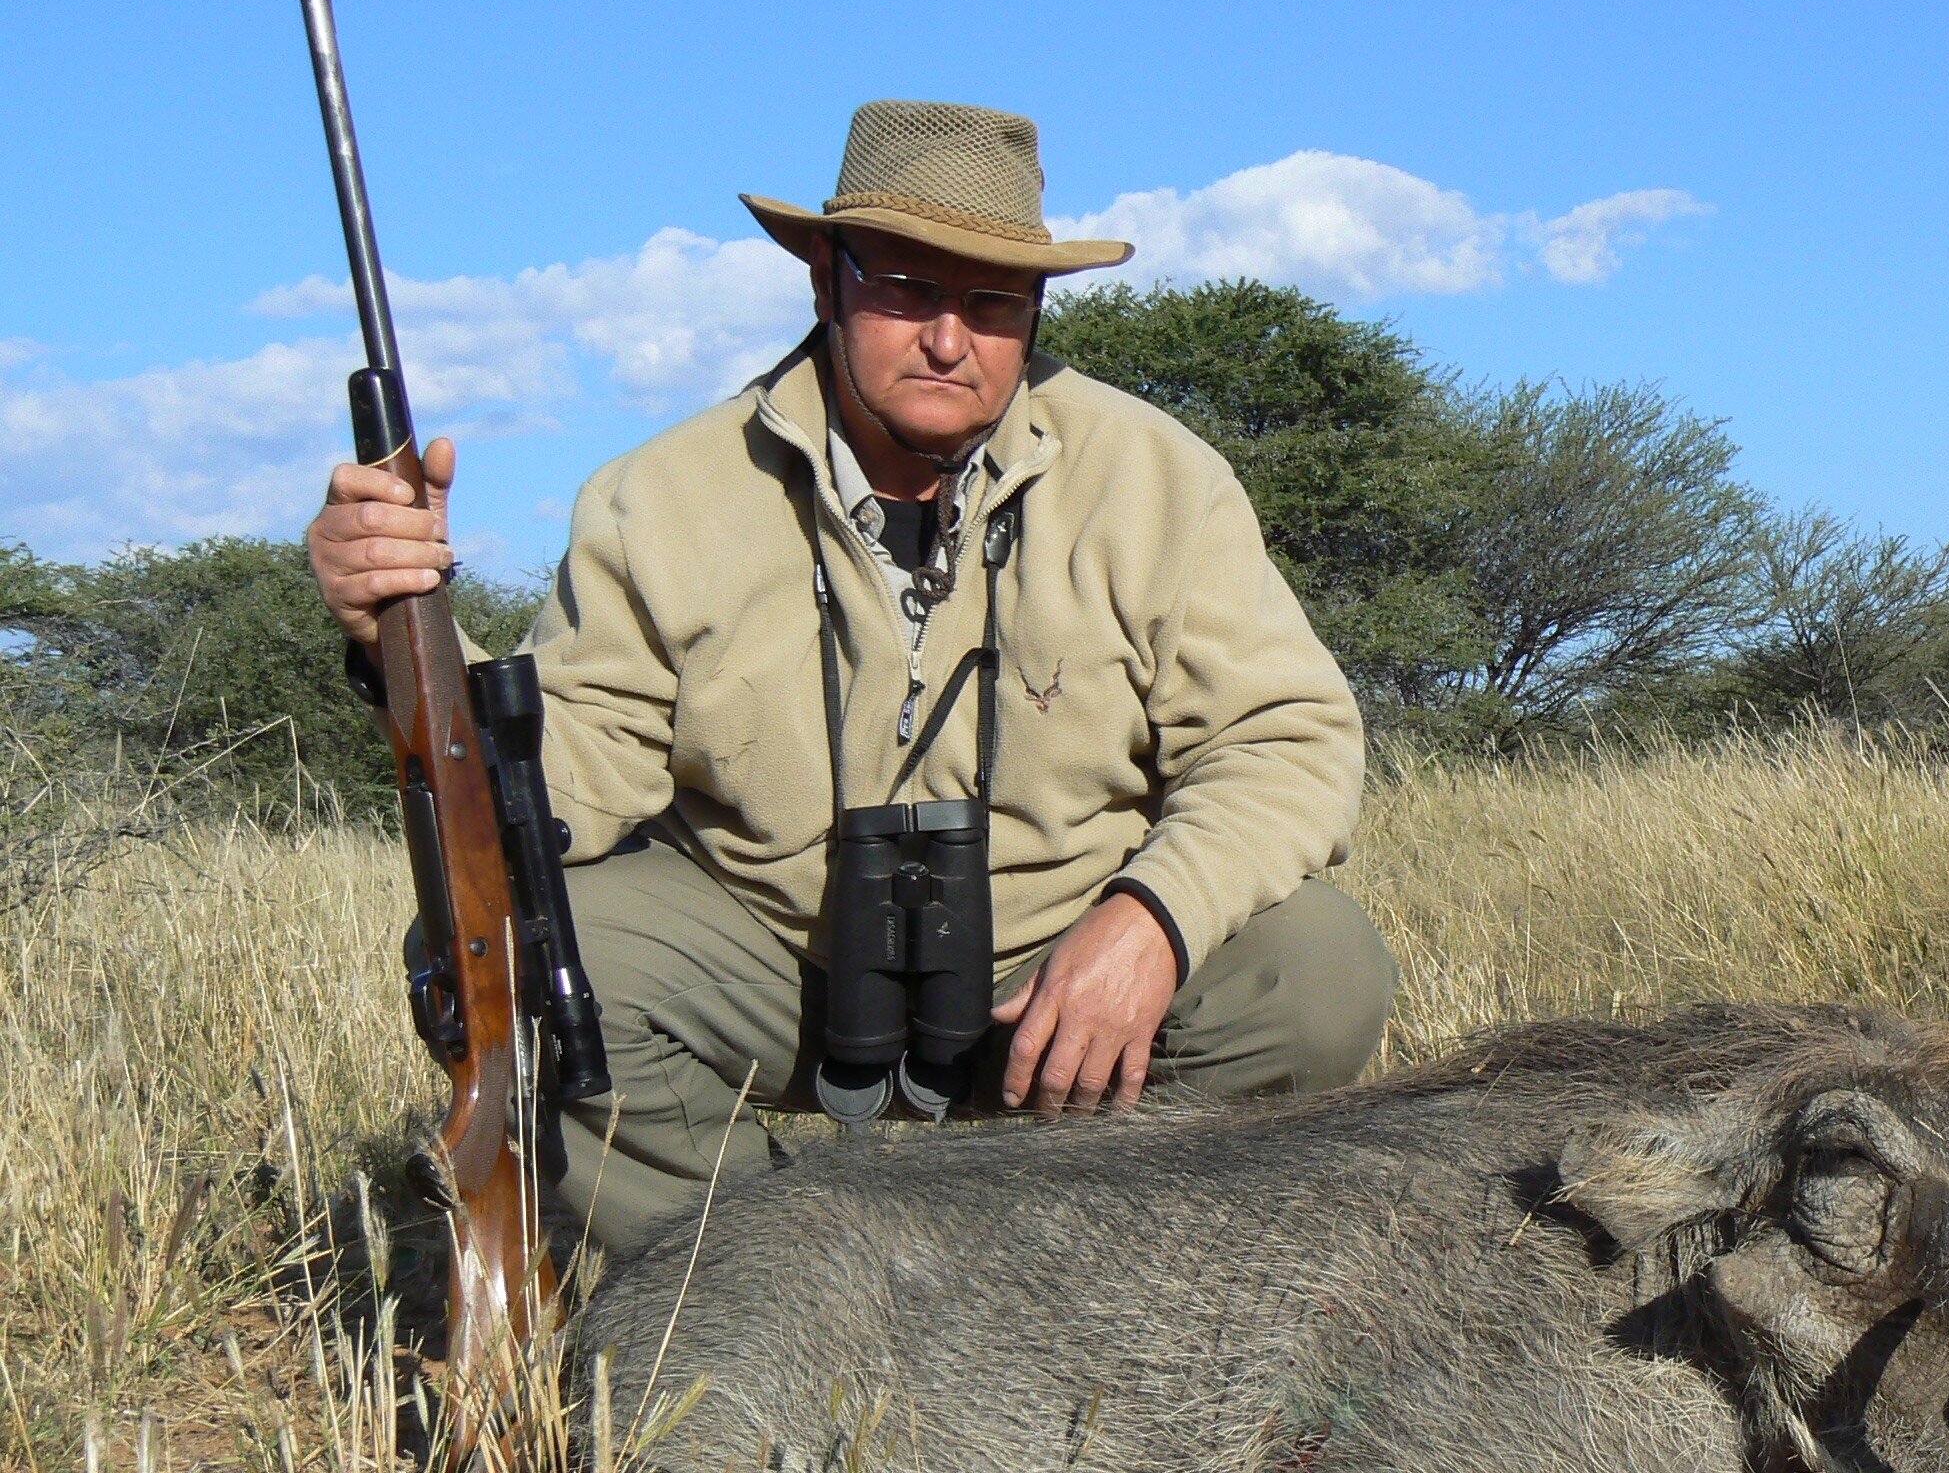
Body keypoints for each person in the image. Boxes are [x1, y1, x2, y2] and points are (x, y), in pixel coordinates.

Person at [307, 101, 1397, 1252]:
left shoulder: (1159, 476)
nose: (947, 340)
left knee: (1315, 972)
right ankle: (777, 1278)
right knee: (504, 954)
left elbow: (1289, 741)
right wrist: (399, 631)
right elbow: (555, 786)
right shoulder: (659, 495)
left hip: (1061, 977)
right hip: (787, 967)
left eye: (991, 304)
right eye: (905, 290)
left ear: (1034, 313)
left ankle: (1066, 1271)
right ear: (825, 278)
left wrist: (1150, 922)